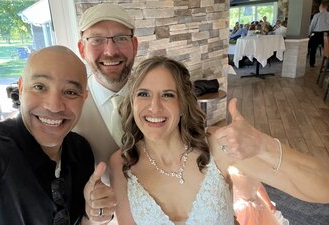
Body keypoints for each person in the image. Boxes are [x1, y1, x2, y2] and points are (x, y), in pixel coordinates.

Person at [109, 56, 329, 224]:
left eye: (168, 94)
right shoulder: (121, 163)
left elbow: (323, 188)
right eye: (143, 94)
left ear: (183, 105)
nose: (154, 106)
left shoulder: (216, 145)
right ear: (132, 102)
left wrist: (264, 145)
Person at [0, 46, 116, 225]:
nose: (54, 106)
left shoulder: (80, 151)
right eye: (40, 87)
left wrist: (93, 217)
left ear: (84, 98)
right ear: (21, 87)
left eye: (70, 92)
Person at [74, 3, 138, 175]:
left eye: (121, 38)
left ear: (135, 45)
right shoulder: (69, 108)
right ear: (82, 50)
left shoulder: (158, 95)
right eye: (96, 40)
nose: (110, 51)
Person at [308, 2, 329, 67]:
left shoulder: (317, 15)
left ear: (322, 7)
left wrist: (309, 33)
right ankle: (328, 65)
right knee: (327, 50)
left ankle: (312, 63)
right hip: (327, 34)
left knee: (313, 49)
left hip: (317, 33)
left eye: (319, 6)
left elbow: (312, 25)